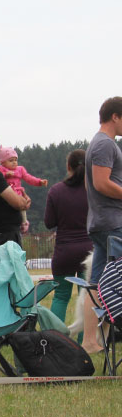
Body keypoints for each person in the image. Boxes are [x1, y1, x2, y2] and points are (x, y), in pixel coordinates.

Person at [84, 96, 122, 351]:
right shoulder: (105, 145)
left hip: (102, 222)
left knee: (96, 284)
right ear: (115, 117)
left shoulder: (99, 144)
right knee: (115, 282)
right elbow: (100, 183)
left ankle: (89, 341)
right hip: (112, 224)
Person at [43, 150, 92, 324]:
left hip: (64, 252)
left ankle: (56, 339)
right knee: (86, 296)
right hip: (89, 251)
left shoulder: (56, 191)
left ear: (68, 166)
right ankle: (85, 340)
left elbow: (49, 222)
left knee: (61, 296)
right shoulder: (93, 191)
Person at [0, 146, 48, 234]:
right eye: (11, 160)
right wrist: (5, 174)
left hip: (18, 193)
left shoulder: (20, 169)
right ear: (2, 162)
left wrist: (39, 182)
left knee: (22, 208)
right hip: (7, 194)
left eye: (15, 160)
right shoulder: (0, 169)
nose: (14, 162)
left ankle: (24, 222)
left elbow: (28, 178)